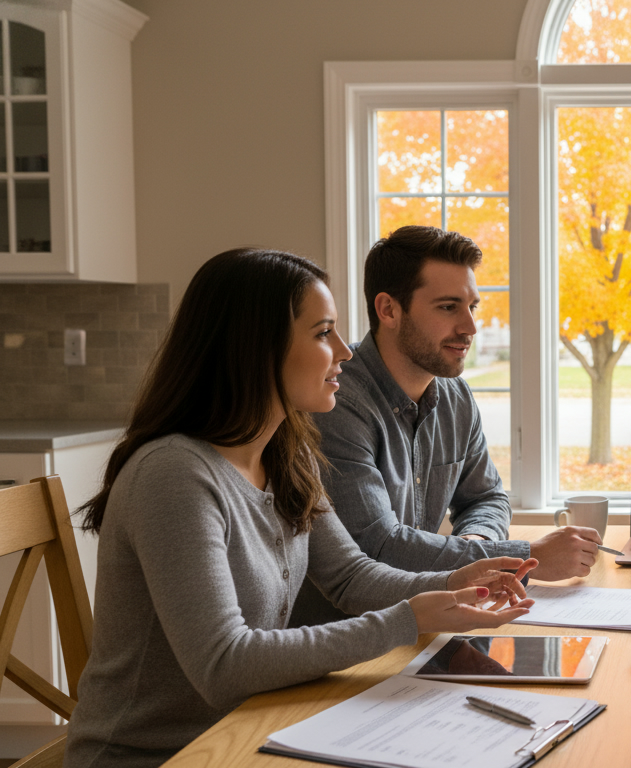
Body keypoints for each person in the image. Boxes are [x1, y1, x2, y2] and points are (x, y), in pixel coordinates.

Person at [65, 249, 537, 768]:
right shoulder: (174, 474)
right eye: (322, 333)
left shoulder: (287, 455)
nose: (345, 352)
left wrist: (453, 584)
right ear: (256, 348)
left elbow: (352, 578)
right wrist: (405, 619)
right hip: (162, 756)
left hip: (255, 729)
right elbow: (225, 665)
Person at [290, 225, 600, 627]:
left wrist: (476, 546)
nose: (470, 327)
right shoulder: (334, 404)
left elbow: (486, 497)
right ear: (388, 310)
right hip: (344, 642)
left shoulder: (455, 397)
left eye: (473, 307)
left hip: (426, 625)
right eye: (449, 307)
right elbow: (378, 547)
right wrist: (527, 557)